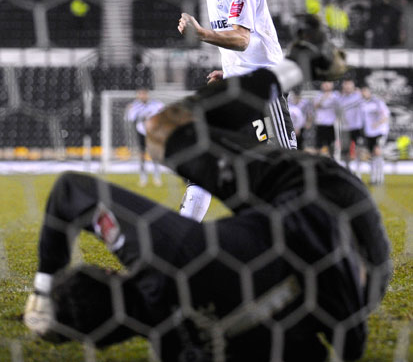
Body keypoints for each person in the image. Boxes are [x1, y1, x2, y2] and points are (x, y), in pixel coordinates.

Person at [24, 54, 391, 362]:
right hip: (333, 209)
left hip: (363, 285)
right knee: (163, 130)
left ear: (104, 343)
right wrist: (42, 289)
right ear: (109, 273)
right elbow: (70, 191)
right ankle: (299, 64)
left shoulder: (176, 350)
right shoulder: (162, 258)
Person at [178, 0, 296, 221]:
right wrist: (227, 72)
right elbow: (238, 41)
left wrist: (200, 33)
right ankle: (180, 241)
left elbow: (242, 39)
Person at [125, 89, 164, 186]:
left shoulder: (155, 104)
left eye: (144, 93)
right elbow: (130, 118)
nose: (143, 96)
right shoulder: (134, 106)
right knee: (142, 155)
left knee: (154, 155)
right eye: (141, 94)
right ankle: (143, 177)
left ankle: (157, 177)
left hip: (152, 132)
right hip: (141, 132)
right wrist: (129, 110)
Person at [360, 85, 390, 185]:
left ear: (369, 92)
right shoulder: (362, 103)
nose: (363, 93)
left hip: (379, 132)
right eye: (362, 92)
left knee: (378, 153)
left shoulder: (377, 102)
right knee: (372, 156)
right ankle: (373, 178)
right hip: (369, 133)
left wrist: (377, 123)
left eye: (365, 91)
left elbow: (385, 116)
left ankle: (380, 178)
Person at [337, 79, 363, 175]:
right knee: (345, 151)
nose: (347, 88)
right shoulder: (340, 98)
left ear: (353, 87)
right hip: (344, 128)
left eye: (349, 86)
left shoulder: (358, 96)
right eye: (346, 86)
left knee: (357, 149)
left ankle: (358, 171)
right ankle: (347, 169)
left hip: (356, 127)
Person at [313, 81, 340, 157]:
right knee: (318, 145)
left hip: (331, 124)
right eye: (324, 84)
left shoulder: (336, 95)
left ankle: (332, 159)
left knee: (331, 144)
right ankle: (318, 160)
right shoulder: (318, 95)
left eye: (328, 84)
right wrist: (324, 98)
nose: (326, 85)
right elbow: (315, 106)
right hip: (320, 123)